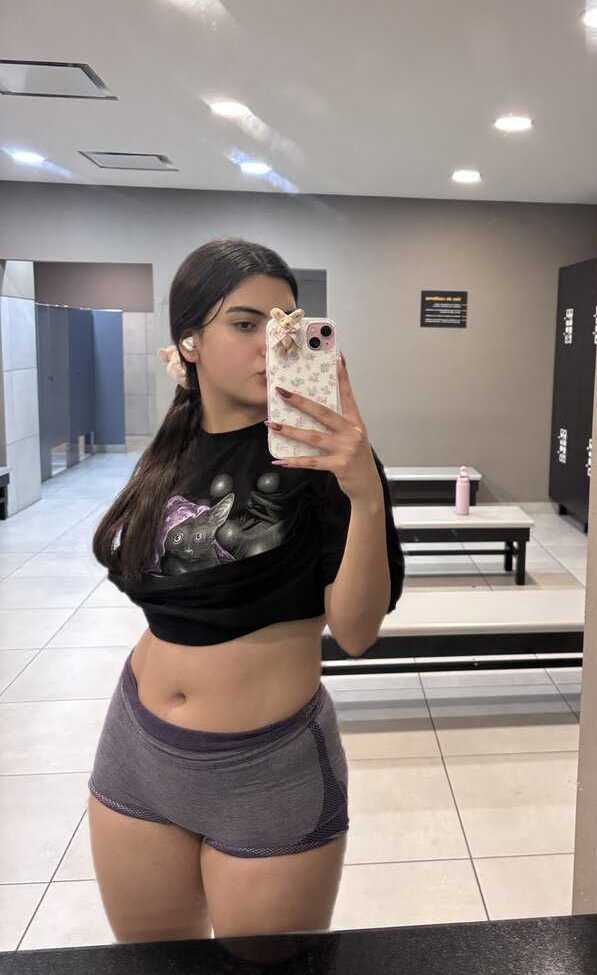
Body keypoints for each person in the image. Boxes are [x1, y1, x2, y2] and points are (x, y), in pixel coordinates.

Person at [87, 237, 405, 943]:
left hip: (268, 769)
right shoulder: (169, 450)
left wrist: (364, 493)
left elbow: (357, 633)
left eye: (285, 324)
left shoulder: (326, 456)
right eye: (244, 323)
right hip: (137, 752)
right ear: (189, 341)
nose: (271, 343)